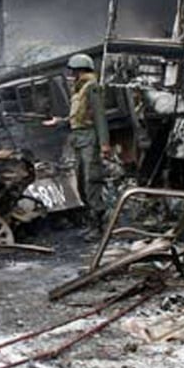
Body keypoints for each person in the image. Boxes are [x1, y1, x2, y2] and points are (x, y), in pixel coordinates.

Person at [43, 54, 111, 240]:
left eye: (74, 71)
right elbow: (76, 118)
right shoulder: (79, 90)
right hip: (80, 139)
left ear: (81, 70)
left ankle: (99, 226)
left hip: (90, 139)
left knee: (91, 182)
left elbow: (99, 117)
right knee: (81, 183)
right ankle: (92, 223)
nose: (72, 74)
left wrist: (104, 144)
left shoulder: (92, 88)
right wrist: (60, 121)